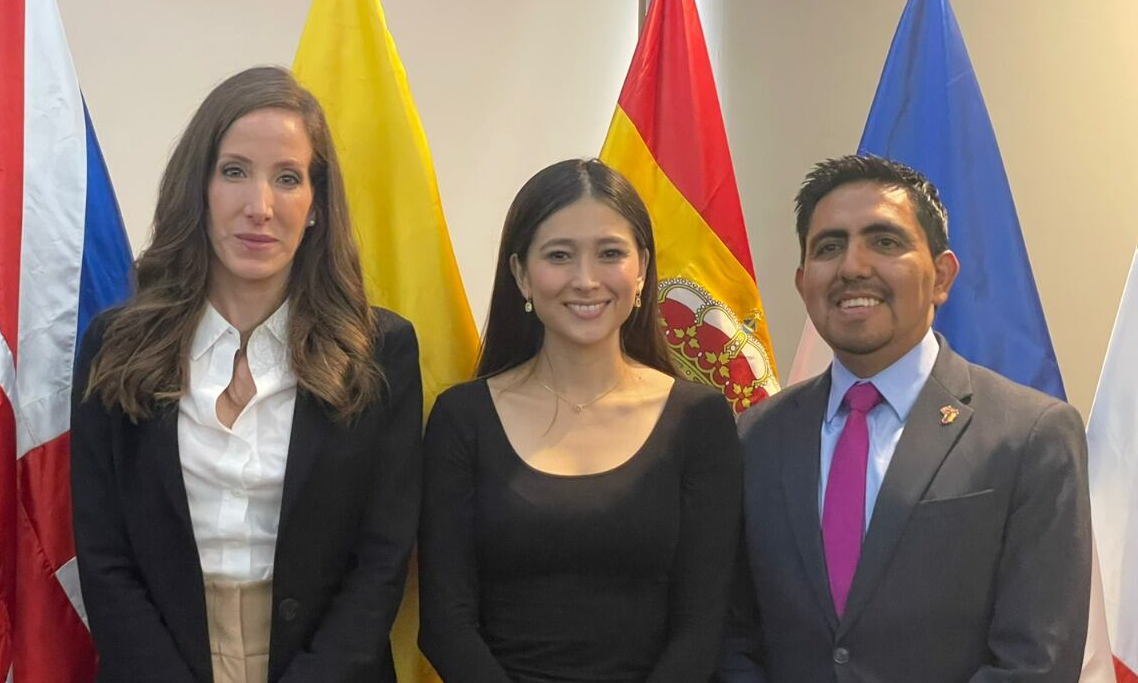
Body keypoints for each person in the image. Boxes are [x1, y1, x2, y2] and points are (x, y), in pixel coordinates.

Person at [70, 66, 422, 683]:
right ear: (198, 189)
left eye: (287, 178)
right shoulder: (118, 345)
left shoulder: (379, 350)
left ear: (316, 205)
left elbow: (382, 559)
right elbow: (104, 557)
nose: (259, 207)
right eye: (234, 171)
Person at [717, 154, 1090, 682]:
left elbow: (1035, 664)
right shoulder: (757, 434)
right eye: (829, 247)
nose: (853, 267)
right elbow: (734, 636)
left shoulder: (1031, 436)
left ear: (942, 277)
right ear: (803, 284)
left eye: (885, 242)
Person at [418, 158, 743, 682]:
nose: (586, 280)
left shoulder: (700, 420)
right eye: (559, 256)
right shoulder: (462, 418)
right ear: (521, 274)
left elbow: (703, 625)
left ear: (642, 269)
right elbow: (444, 625)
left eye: (610, 253)